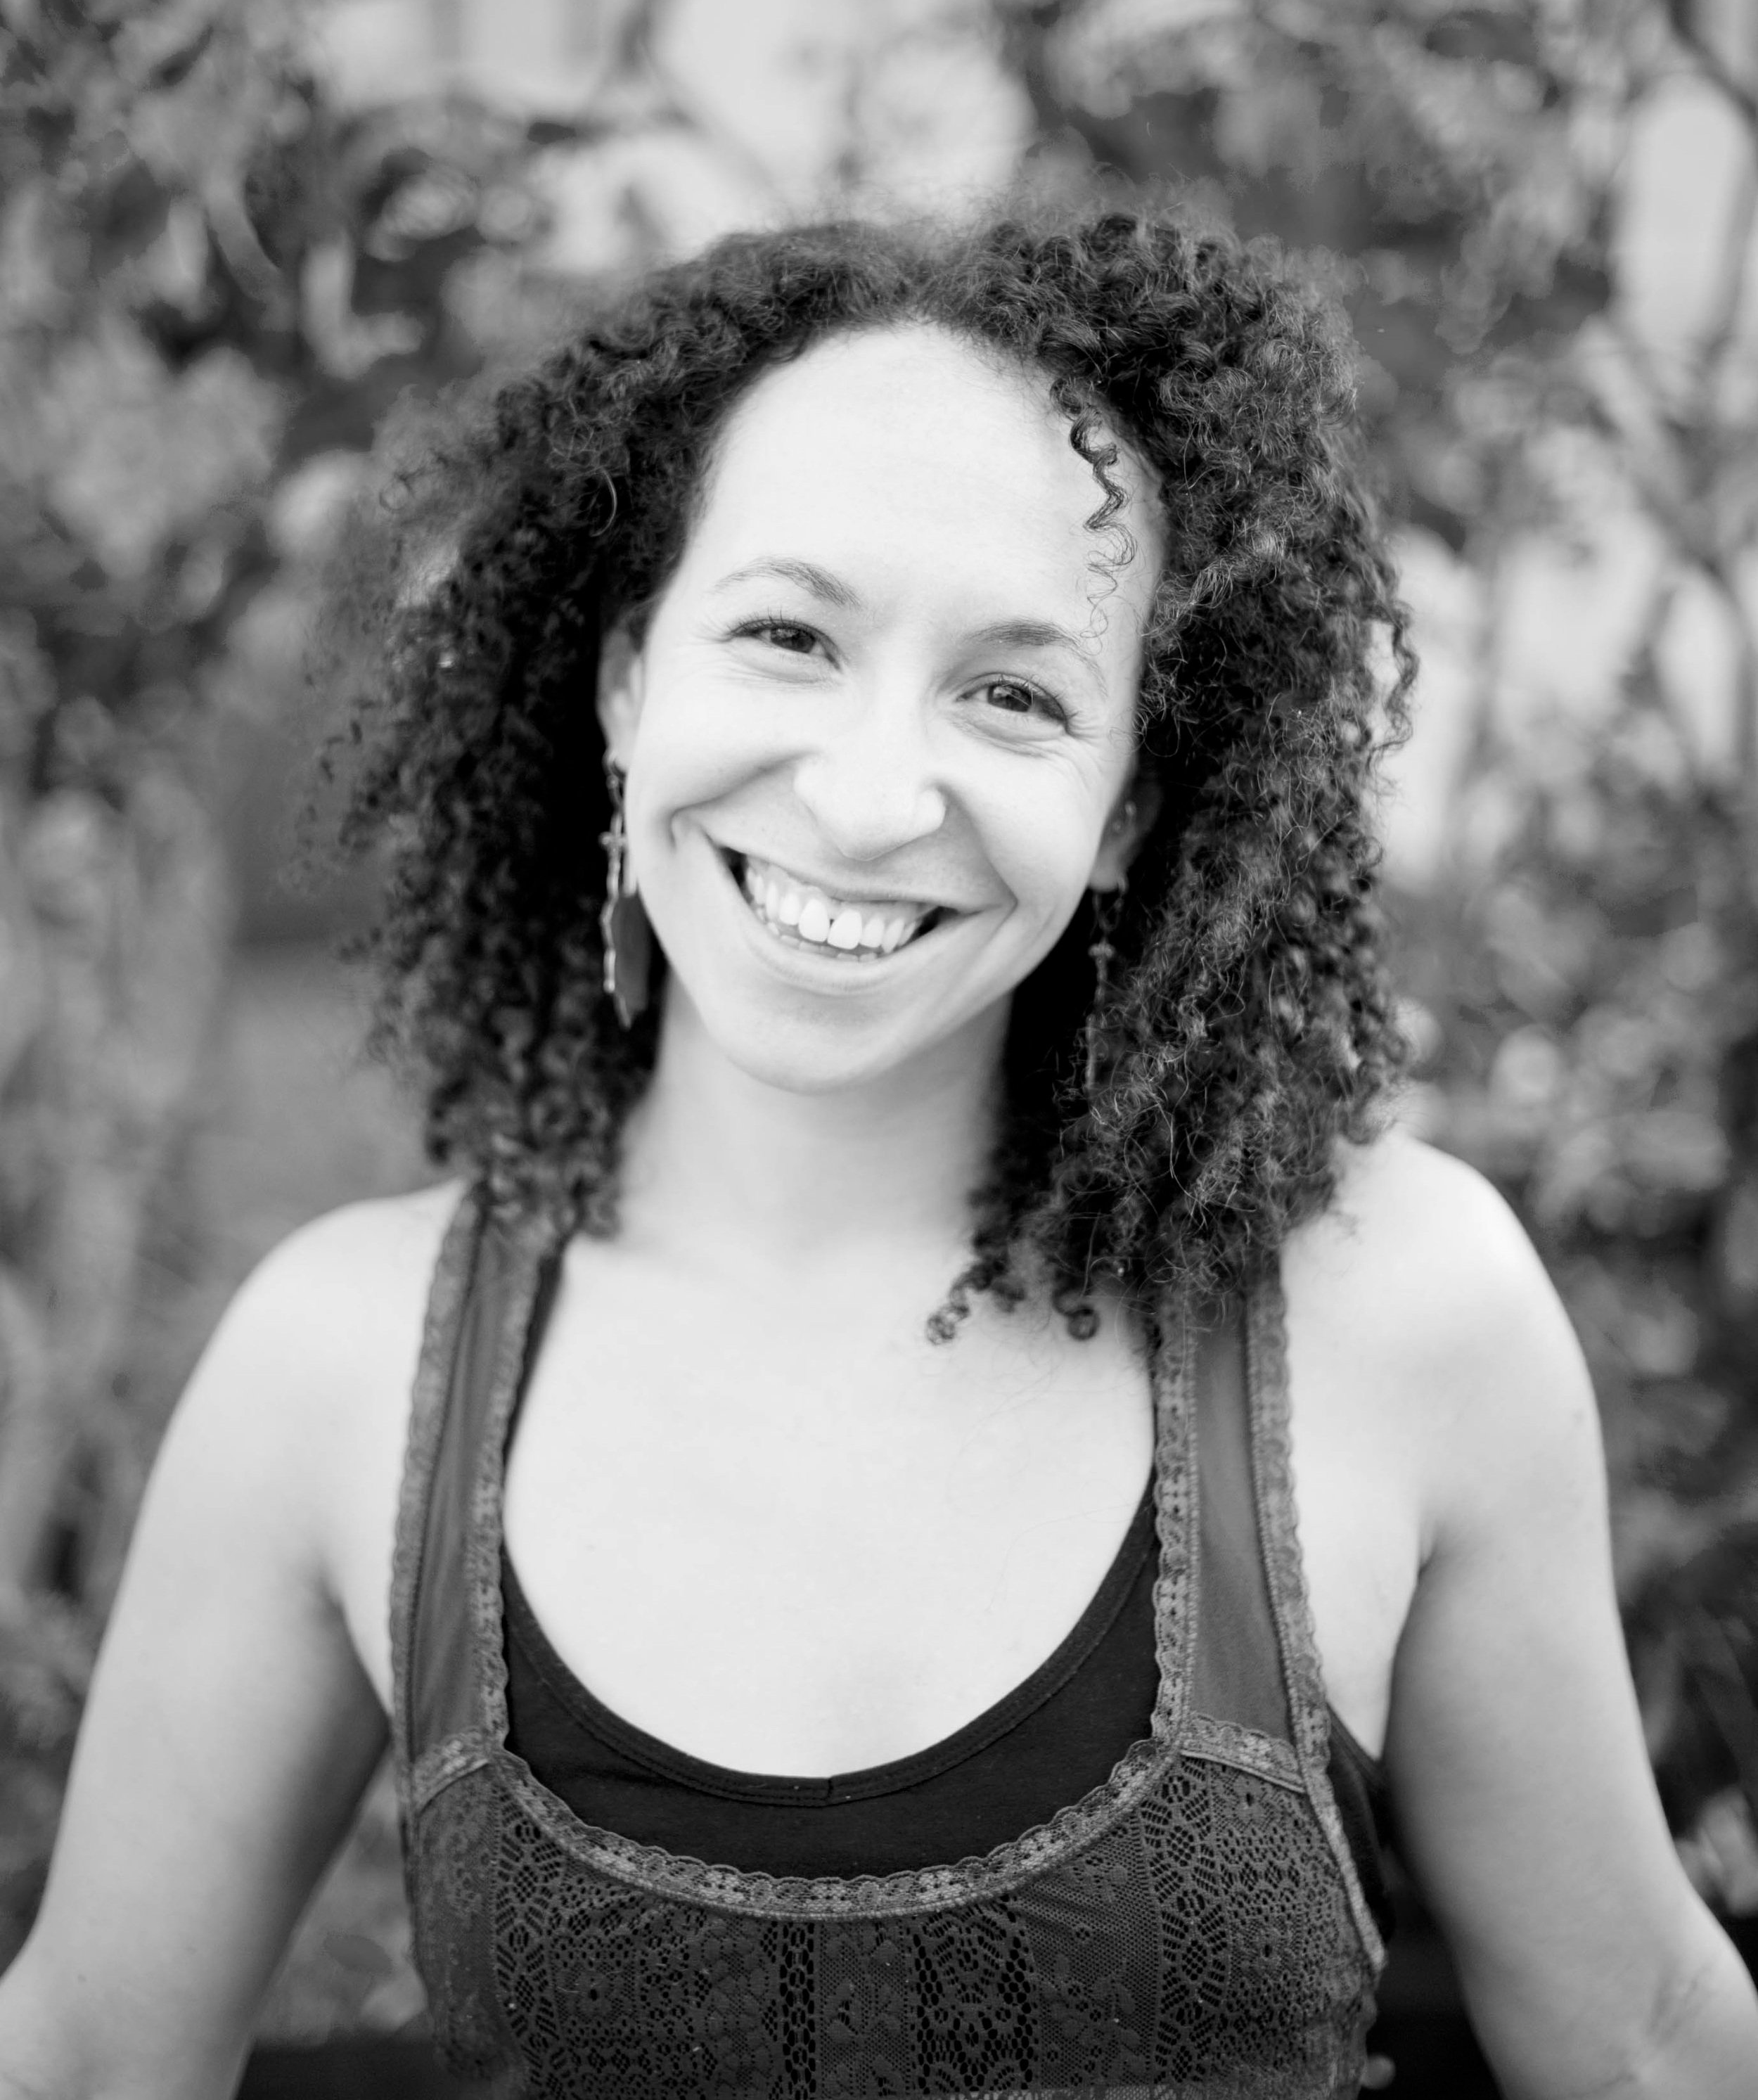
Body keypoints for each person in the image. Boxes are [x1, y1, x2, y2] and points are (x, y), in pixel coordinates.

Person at [0, 206, 1753, 2100]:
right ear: (625, 680)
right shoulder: (343, 1366)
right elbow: (89, 2059)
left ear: (1123, 810)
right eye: (787, 635)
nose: (863, 797)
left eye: (1013, 694)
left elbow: (1643, 2043)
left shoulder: (1388, 1312)